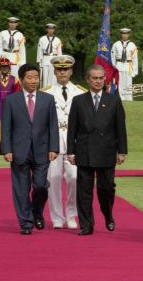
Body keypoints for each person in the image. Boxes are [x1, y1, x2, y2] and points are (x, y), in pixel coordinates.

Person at [67, 64, 128, 236]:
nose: (98, 81)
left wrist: (122, 151)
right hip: (84, 151)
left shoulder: (114, 100)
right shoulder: (78, 101)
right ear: (88, 79)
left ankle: (108, 214)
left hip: (106, 151)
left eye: (101, 78)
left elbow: (120, 128)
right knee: (84, 190)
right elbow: (72, 128)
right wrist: (71, 151)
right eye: (95, 78)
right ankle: (86, 225)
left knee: (106, 188)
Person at [1, 63, 59, 235]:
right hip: (19, 151)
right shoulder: (11, 100)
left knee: (41, 185)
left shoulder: (48, 99)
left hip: (42, 150)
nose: (34, 81)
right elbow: (6, 127)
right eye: (30, 77)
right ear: (21, 79)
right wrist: (7, 149)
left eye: (36, 77)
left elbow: (53, 126)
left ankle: (36, 212)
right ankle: (26, 223)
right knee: (21, 189)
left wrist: (54, 147)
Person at [41, 55, 86, 229]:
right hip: (53, 142)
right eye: (59, 69)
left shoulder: (80, 92)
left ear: (71, 71)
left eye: (65, 69)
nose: (62, 72)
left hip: (74, 142)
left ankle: (71, 214)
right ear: (54, 71)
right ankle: (57, 217)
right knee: (54, 178)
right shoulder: (46, 93)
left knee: (74, 178)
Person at [111, 28, 138, 101]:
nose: (125, 35)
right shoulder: (116, 44)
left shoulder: (132, 45)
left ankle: (128, 99)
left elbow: (135, 59)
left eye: (126, 34)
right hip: (119, 66)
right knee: (119, 84)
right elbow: (113, 57)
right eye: (123, 34)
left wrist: (134, 71)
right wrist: (113, 69)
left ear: (128, 35)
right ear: (121, 34)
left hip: (128, 66)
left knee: (128, 84)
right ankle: (120, 99)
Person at [37, 23, 63, 88]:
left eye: (52, 29)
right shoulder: (42, 39)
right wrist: (39, 61)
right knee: (44, 77)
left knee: (53, 77)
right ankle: (44, 90)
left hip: (54, 59)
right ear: (47, 29)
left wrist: (59, 62)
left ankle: (53, 90)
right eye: (49, 29)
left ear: (54, 30)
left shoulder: (57, 40)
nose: (51, 30)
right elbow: (39, 50)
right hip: (45, 58)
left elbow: (59, 52)